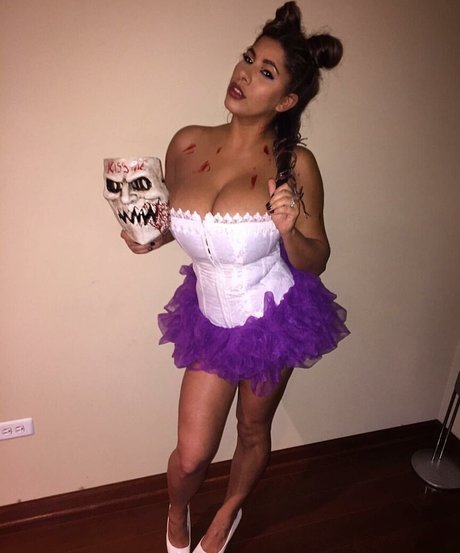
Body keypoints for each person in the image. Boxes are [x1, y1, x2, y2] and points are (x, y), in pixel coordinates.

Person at [122, 2, 349, 552]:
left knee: (251, 429)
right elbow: (186, 226)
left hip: (275, 316)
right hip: (209, 317)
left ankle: (228, 511)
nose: (244, 74)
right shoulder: (186, 143)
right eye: (248, 58)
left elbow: (316, 258)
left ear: (286, 100)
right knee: (193, 454)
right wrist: (150, 234)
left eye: (265, 72)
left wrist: (289, 229)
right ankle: (177, 511)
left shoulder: (296, 165)